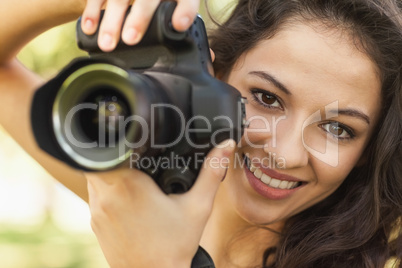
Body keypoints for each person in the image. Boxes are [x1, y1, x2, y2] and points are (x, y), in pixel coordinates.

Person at [0, 0, 401, 267]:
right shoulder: (139, 190)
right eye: (266, 97)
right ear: (216, 76)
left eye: (337, 128)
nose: (286, 154)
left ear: (369, 149)